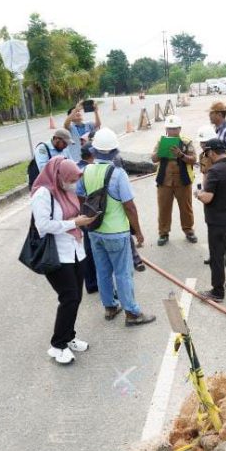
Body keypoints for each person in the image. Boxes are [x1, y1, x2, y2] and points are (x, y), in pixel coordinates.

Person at [77, 127, 155, 326]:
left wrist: (89, 217)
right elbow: (129, 206)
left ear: (94, 151)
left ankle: (110, 307)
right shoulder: (118, 173)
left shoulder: (86, 170)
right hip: (116, 233)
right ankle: (132, 312)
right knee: (123, 272)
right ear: (114, 151)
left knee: (102, 271)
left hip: (95, 231)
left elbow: (80, 196)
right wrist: (138, 232)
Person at [30, 158, 96, 364]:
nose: (73, 184)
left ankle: (69, 336)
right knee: (68, 298)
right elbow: (42, 226)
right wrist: (74, 222)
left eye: (75, 179)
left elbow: (74, 214)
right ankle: (57, 345)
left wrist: (85, 219)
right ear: (58, 176)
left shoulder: (67, 190)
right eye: (70, 179)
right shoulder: (43, 194)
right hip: (57, 254)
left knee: (76, 297)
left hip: (76, 250)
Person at [196, 139, 226, 302]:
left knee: (217, 255)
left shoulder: (214, 171)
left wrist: (198, 194)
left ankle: (217, 292)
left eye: (206, 153)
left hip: (217, 221)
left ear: (212, 152)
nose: (206, 156)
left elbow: (208, 197)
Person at [151, 115, 198, 246]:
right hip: (164, 182)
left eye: (175, 128)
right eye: (170, 129)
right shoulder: (161, 142)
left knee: (186, 208)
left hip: (182, 181)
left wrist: (181, 155)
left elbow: (194, 159)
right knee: (164, 208)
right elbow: (153, 159)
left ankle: (189, 230)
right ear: (166, 129)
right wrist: (161, 152)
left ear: (180, 129)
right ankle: (163, 233)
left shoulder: (186, 142)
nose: (172, 131)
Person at [77, 146, 98, 293]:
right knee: (92, 250)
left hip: (82, 214)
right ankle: (94, 283)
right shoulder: (88, 170)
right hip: (89, 214)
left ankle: (91, 283)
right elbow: (80, 195)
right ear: (91, 155)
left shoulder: (76, 167)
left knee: (88, 249)